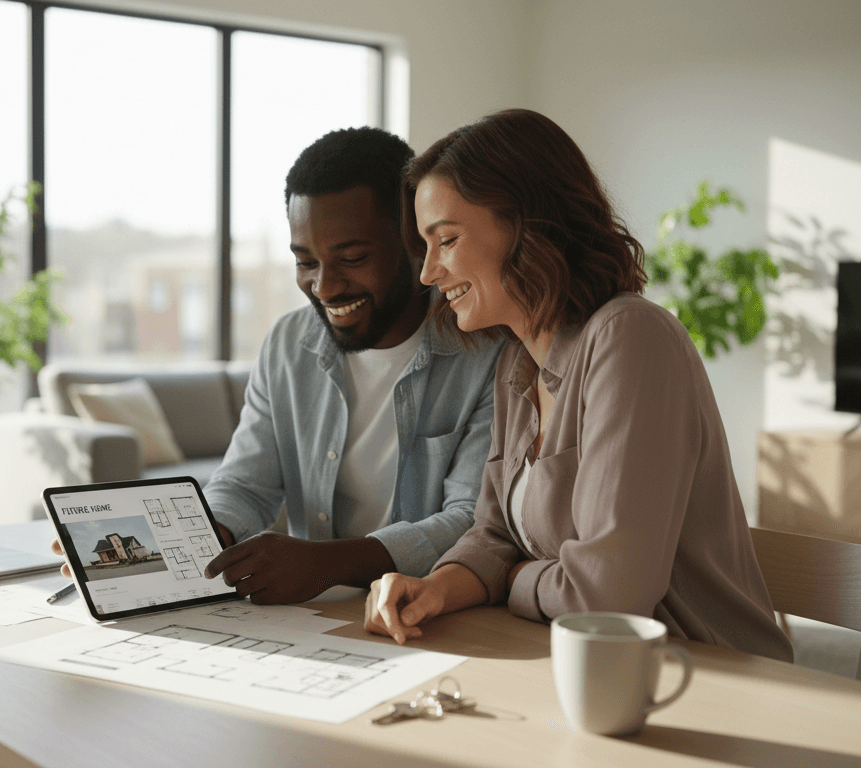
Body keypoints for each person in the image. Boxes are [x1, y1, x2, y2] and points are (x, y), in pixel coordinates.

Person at [363, 109, 793, 662]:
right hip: (594, 668)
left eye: (445, 240)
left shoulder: (632, 338)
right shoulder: (517, 364)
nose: (427, 273)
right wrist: (437, 588)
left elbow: (607, 597)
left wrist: (516, 578)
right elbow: (494, 534)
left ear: (525, 225)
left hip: (707, 674)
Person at [196, 127, 506, 605]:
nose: (324, 286)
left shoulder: (486, 350)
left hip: (432, 613)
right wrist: (191, 544)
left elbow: (473, 519)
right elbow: (243, 485)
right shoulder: (286, 343)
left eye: (352, 257)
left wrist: (327, 564)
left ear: (414, 240)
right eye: (306, 262)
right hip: (310, 618)